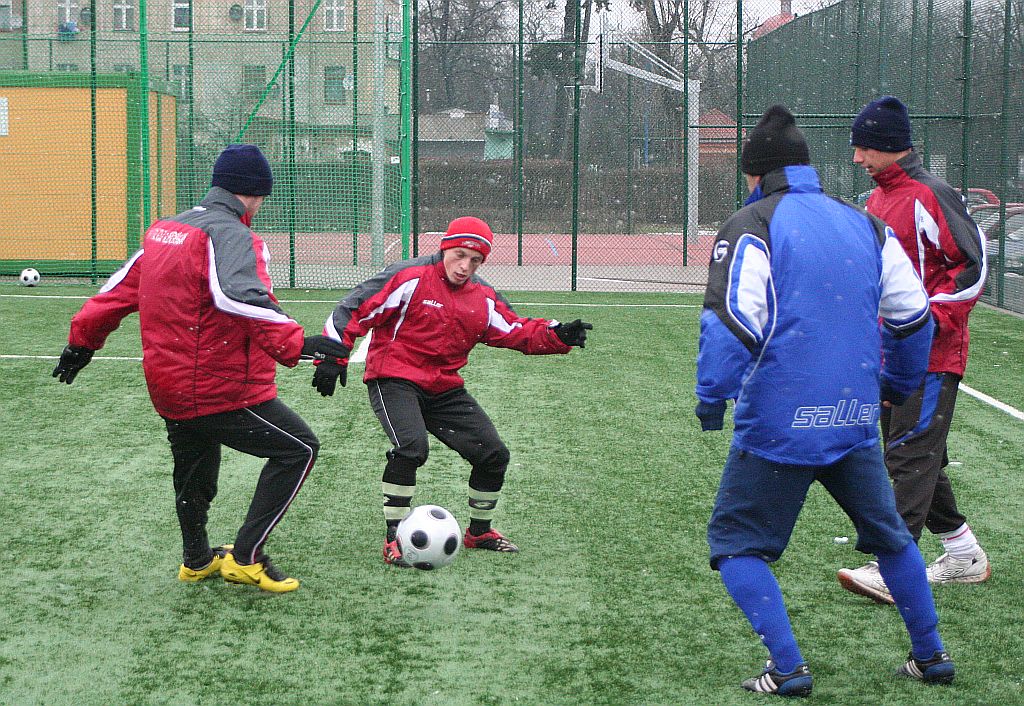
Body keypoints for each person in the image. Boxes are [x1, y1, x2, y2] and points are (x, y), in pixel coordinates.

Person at [696, 105, 954, 696]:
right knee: (890, 536)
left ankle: (787, 667)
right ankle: (931, 654)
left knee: (737, 544)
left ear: (754, 173)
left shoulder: (752, 222)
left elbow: (735, 319)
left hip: (779, 425)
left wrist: (713, 395)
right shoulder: (862, 222)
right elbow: (914, 317)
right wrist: (897, 386)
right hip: (854, 417)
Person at [51, 144, 348, 593]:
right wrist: (297, 343)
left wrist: (81, 342)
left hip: (169, 386)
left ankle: (195, 559)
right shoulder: (231, 234)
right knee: (298, 449)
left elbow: (115, 293)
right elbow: (240, 297)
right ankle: (247, 558)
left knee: (194, 469)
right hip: (218, 387)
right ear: (253, 193)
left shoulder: (166, 230)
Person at [311, 216, 592, 565]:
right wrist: (332, 354)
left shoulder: (482, 296)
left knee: (493, 454)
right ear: (445, 247)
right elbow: (355, 308)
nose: (465, 266)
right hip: (394, 378)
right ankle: (395, 539)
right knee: (411, 448)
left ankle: (480, 532)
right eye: (459, 255)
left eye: (475, 261)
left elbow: (514, 329)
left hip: (443, 387)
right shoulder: (409, 277)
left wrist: (556, 334)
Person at [838, 96, 989, 605]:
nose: (857, 157)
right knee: (917, 455)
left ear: (887, 147)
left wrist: (926, 323)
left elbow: (971, 270)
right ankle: (963, 552)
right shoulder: (876, 201)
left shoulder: (931, 194)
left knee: (909, 454)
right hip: (890, 356)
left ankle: (891, 566)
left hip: (932, 356)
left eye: (863, 147)